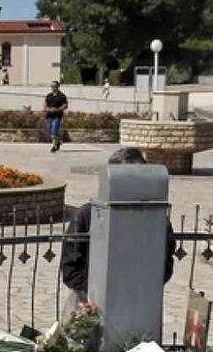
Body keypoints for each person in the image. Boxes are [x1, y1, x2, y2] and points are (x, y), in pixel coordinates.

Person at [59, 148, 175, 308]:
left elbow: (165, 264)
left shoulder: (156, 219)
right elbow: (69, 268)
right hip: (89, 304)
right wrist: (97, 291)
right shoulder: (87, 215)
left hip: (139, 304)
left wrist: (139, 288)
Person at [43, 80, 68, 152]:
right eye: (52, 86)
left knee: (53, 132)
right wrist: (47, 109)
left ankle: (54, 146)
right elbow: (45, 105)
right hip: (49, 116)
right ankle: (58, 141)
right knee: (50, 131)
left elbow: (65, 106)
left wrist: (56, 109)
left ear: (58, 86)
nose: (53, 88)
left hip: (57, 116)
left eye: (54, 86)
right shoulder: (49, 96)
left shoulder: (62, 96)